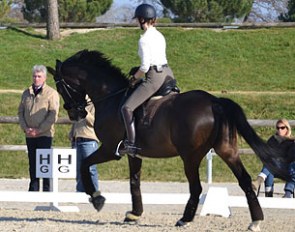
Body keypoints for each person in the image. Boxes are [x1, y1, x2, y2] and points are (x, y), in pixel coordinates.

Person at [118, 3, 175, 156]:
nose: (137, 22)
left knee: (127, 108)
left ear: (142, 19)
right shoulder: (159, 35)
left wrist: (133, 78)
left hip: (154, 77)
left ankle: (131, 144)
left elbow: (144, 67)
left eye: (138, 19)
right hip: (168, 74)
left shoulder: (144, 40)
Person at [18, 65, 60, 191]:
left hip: (44, 134)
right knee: (32, 162)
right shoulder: (26, 93)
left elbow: (53, 114)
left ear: (45, 78)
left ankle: (47, 189)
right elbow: (20, 112)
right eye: (34, 76)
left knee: (44, 163)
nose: (36, 79)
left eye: (39, 76)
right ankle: (34, 188)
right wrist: (26, 128)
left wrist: (39, 130)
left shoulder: (51, 93)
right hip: (29, 134)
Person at [252, 119, 295, 198]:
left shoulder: (291, 142)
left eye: (282, 128)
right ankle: (269, 193)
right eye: (278, 128)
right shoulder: (272, 140)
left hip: (286, 169)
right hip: (274, 167)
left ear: (287, 129)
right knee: (269, 164)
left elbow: (290, 158)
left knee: (272, 164)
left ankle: (259, 181)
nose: (279, 130)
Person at [69, 99, 99, 192]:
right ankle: (80, 191)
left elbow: (94, 122)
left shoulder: (95, 106)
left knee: (90, 168)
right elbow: (76, 121)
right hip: (77, 140)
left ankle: (93, 192)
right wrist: (72, 133)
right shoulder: (80, 105)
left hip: (89, 140)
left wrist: (85, 111)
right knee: (79, 169)